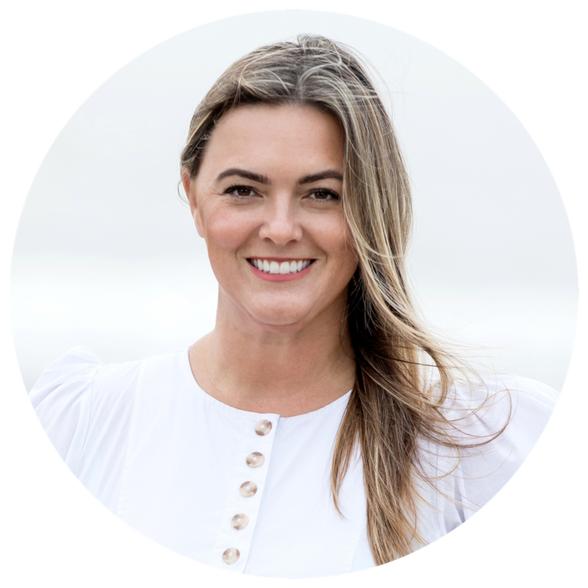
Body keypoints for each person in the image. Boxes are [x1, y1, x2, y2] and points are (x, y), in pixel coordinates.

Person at [27, 34, 559, 578]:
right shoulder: (82, 422)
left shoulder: (479, 447)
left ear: (370, 208)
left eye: (322, 194)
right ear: (193, 197)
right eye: (243, 190)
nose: (280, 229)